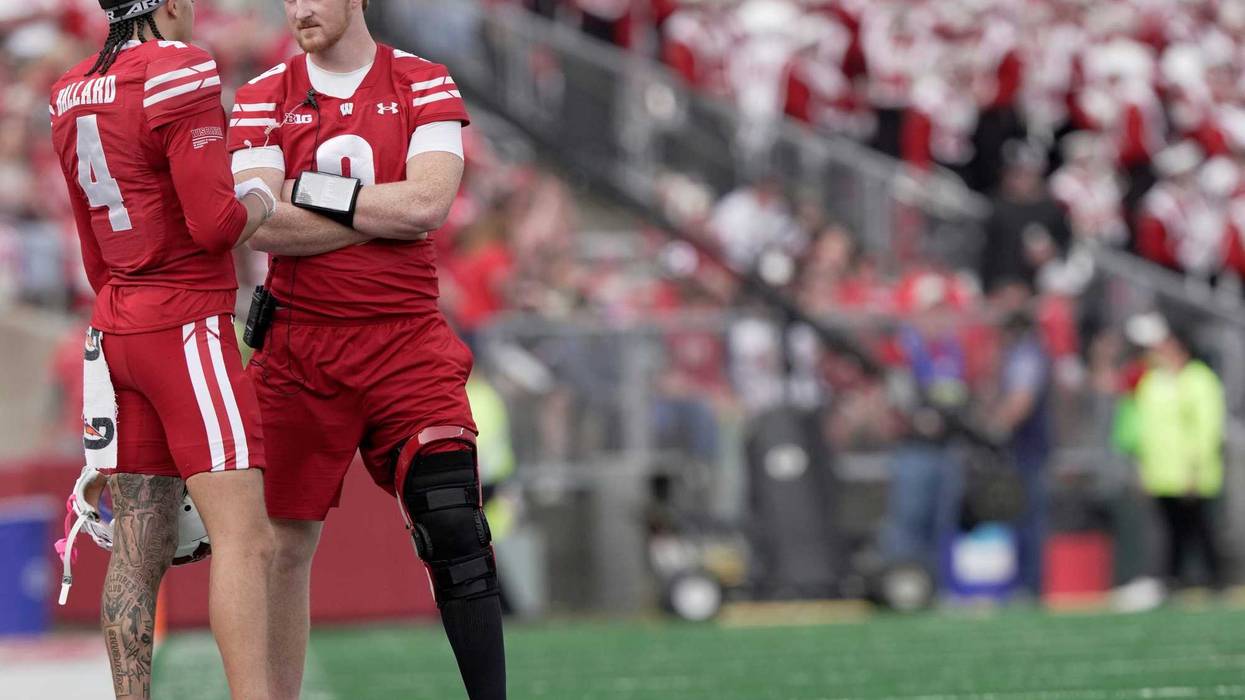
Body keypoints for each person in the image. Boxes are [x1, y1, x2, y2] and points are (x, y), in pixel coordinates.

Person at [225, 1, 505, 698]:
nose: (299, 10)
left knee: (453, 522)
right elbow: (260, 227)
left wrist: (307, 191)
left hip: (404, 338)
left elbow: (427, 206)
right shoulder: (262, 95)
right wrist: (382, 214)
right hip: (297, 344)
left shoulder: (423, 82)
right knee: (281, 548)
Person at [48, 0, 279, 697]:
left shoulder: (68, 90)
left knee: (136, 549)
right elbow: (215, 225)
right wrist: (263, 198)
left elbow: (91, 246)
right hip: (184, 325)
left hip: (117, 323)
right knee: (246, 539)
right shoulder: (178, 69)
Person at [1123, 312, 1226, 591]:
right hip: (1162, 472)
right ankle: (1173, 580)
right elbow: (1143, 428)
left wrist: (1195, 467)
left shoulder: (1199, 380)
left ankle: (1215, 580)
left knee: (1200, 529)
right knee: (1171, 530)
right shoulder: (1153, 381)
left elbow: (1207, 429)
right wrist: (1142, 467)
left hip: (1191, 472)